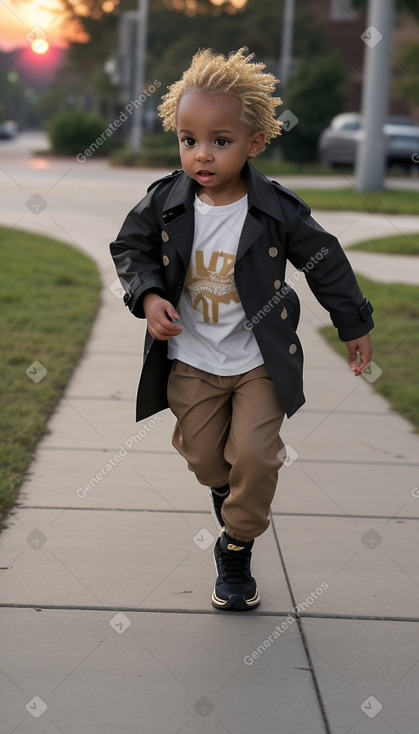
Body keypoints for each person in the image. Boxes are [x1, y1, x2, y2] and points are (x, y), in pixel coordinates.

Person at [110, 47, 374, 612]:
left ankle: (236, 549)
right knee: (209, 459)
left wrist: (353, 322)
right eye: (188, 139)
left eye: (220, 141)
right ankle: (229, 497)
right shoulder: (165, 203)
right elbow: (130, 249)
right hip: (191, 360)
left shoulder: (276, 209)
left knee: (254, 456)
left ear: (254, 142)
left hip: (258, 361)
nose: (201, 154)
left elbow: (324, 260)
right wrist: (150, 294)